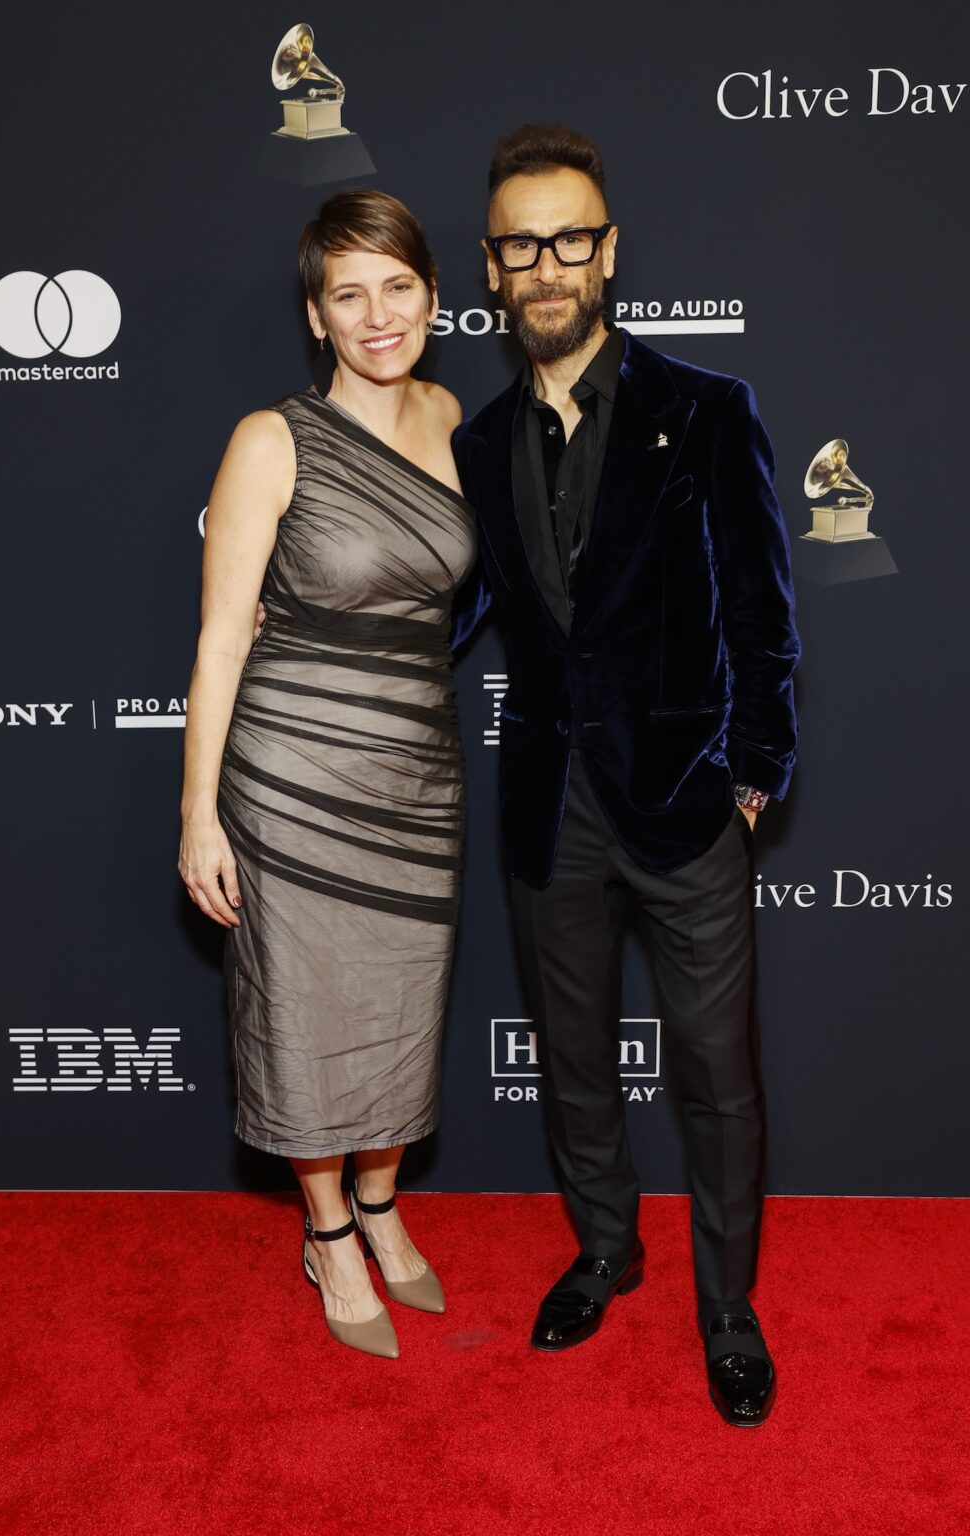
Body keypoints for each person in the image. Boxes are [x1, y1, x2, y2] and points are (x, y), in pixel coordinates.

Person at [451, 124, 800, 1426]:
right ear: (492, 267)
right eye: (520, 245)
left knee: (716, 1073)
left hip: (685, 798)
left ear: (608, 253)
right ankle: (606, 1249)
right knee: (576, 1058)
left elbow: (765, 610)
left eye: (569, 239)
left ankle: (727, 1307)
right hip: (550, 806)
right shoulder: (481, 445)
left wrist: (755, 769)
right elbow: (461, 608)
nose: (546, 265)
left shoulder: (707, 411)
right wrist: (316, 626)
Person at [179, 190, 477, 1359]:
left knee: (402, 1008)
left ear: (433, 296)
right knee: (305, 1016)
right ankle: (327, 1231)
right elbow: (222, 634)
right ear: (317, 316)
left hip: (417, 770)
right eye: (347, 293)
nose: (377, 313)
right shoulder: (272, 439)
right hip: (292, 776)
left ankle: (386, 1205)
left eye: (396, 285)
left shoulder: (454, 416)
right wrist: (199, 813)